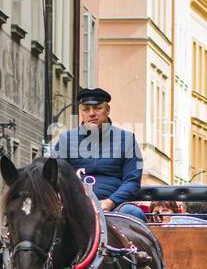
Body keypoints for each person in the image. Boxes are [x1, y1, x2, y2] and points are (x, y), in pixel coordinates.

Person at [50, 87, 146, 221]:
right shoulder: (66, 140)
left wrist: (110, 201)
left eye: (97, 108)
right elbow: (53, 176)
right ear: (81, 112)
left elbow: (132, 181)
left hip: (114, 206)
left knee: (133, 213)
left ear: (107, 110)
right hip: (73, 205)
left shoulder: (127, 139)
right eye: (86, 109)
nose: (91, 113)